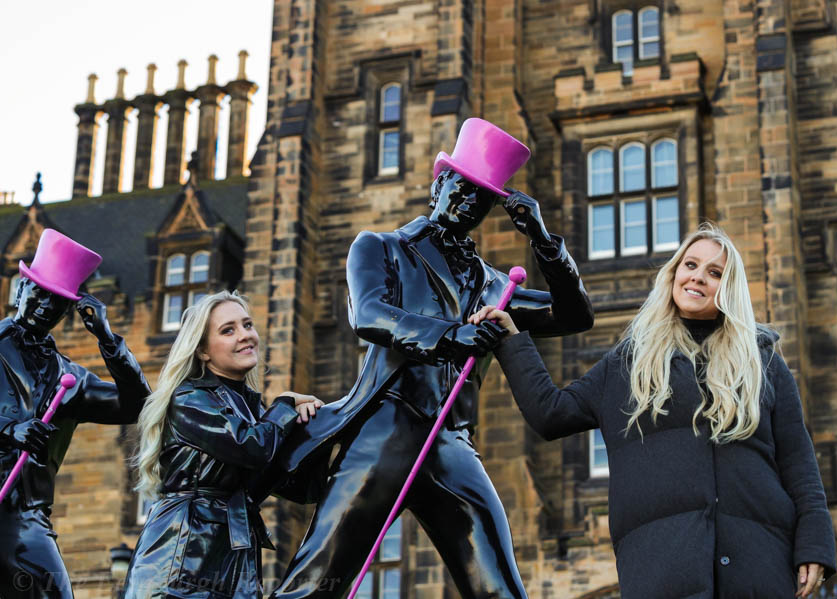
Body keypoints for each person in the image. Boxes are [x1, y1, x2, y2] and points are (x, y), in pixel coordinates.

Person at [268, 118, 594, 598]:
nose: (466, 203)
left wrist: (544, 241)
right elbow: (372, 316)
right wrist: (454, 335)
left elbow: (574, 315)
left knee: (500, 590)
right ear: (437, 184)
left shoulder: (494, 285)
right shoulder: (380, 247)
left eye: (480, 200)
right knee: (315, 586)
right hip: (385, 431)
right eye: (459, 189)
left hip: (452, 446)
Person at [471, 223, 836, 599]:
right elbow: (550, 412)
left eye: (715, 273)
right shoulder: (629, 363)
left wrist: (814, 546)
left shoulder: (764, 365)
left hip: (760, 568)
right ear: (674, 273)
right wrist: (512, 341)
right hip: (662, 573)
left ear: (729, 288)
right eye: (690, 265)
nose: (698, 278)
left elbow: (800, 468)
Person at [122, 291, 324, 599]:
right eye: (228, 330)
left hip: (233, 561)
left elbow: (299, 489)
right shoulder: (189, 399)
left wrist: (317, 430)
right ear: (202, 350)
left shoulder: (253, 411)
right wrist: (284, 406)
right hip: (181, 562)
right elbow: (250, 448)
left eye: (247, 325)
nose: (245, 336)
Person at [0, 229, 150, 599]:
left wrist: (108, 340)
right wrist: (9, 430)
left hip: (24, 519)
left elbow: (137, 405)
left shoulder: (69, 378)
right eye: (38, 294)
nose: (43, 306)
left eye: (56, 303)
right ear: (21, 290)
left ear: (67, 311)